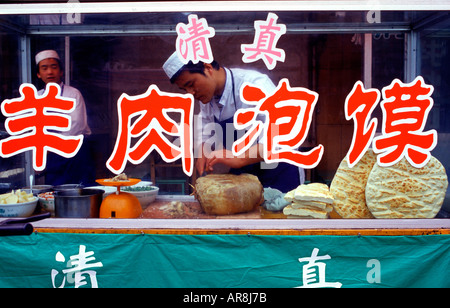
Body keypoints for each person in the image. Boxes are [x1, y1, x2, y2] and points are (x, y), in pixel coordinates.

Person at [163, 52, 304, 192]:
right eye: (184, 89)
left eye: (191, 84)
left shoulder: (254, 84)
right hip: (247, 174)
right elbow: (204, 124)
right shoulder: (207, 96)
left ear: (208, 68)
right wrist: (203, 149)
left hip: (279, 173)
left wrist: (239, 157)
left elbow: (281, 136)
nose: (190, 93)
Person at [35, 49, 95, 186]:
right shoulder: (36, 97)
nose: (50, 72)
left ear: (61, 72)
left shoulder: (73, 94)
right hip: (52, 156)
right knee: (54, 194)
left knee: (82, 193)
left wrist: (49, 143)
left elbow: (75, 125)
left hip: (77, 152)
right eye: (44, 68)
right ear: (39, 74)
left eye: (54, 67)